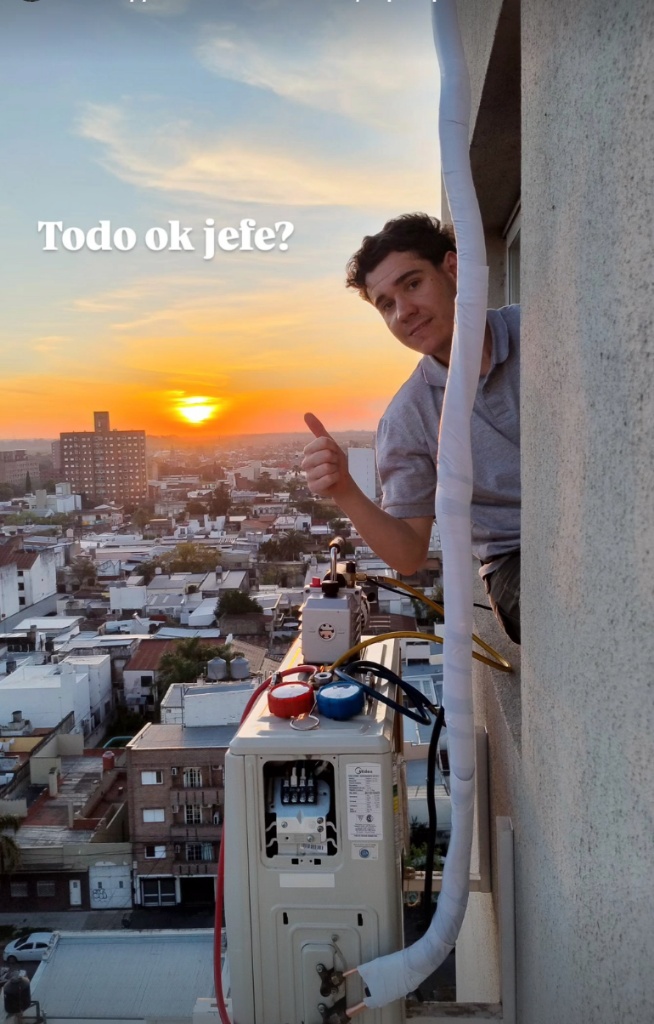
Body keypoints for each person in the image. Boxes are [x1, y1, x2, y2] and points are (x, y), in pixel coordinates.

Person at [302, 213, 521, 644]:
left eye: (413, 283)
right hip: (517, 563)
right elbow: (408, 554)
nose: (404, 311)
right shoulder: (409, 417)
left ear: (452, 269)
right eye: (386, 303)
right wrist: (343, 488)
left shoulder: (539, 330)